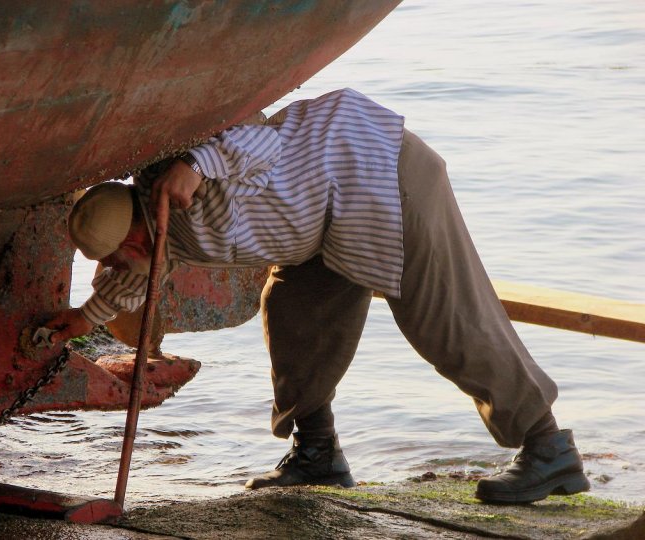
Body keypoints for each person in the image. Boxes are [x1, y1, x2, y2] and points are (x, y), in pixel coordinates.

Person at [46, 88, 590, 504]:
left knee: (446, 322)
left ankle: (549, 449)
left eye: (114, 256)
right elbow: (136, 275)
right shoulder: (152, 230)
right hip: (322, 229)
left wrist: (196, 165)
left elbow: (263, 138)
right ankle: (318, 455)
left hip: (377, 175)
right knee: (292, 316)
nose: (111, 268)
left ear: (136, 232)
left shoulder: (177, 182)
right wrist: (83, 318)